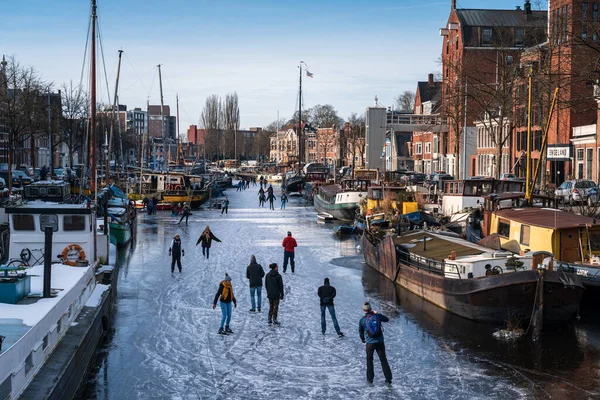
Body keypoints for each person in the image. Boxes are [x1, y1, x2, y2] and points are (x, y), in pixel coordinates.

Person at [359, 302, 392, 385]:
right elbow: (387, 319)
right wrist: (377, 313)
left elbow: (360, 332)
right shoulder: (377, 316)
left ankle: (370, 380)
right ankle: (388, 379)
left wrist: (363, 340)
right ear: (370, 309)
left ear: (364, 310)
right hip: (380, 342)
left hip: (370, 343)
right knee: (383, 360)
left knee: (369, 361)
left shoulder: (362, 320)